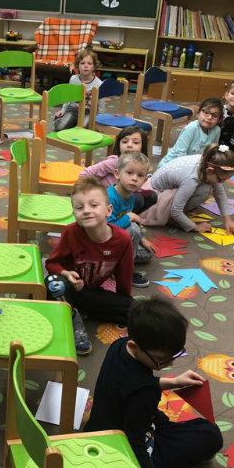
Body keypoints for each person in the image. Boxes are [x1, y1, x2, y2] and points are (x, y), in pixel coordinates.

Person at [85, 296, 223, 468]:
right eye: (162, 359)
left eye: (174, 356)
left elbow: (132, 384)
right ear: (135, 345)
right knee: (211, 435)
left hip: (105, 424)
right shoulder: (144, 393)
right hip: (122, 451)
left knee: (196, 428)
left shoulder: (119, 345)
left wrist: (172, 382)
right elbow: (135, 444)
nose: (170, 363)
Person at [44, 177, 134, 355]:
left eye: (93, 205)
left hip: (91, 292)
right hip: (69, 289)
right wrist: (66, 274)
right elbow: (52, 263)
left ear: (108, 210)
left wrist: (122, 302)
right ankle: (73, 320)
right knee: (53, 283)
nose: (86, 211)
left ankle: (78, 310)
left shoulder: (122, 239)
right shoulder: (71, 232)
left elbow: (125, 275)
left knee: (136, 310)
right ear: (74, 213)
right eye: (80, 207)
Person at [140, 144, 234, 235]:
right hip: (153, 200)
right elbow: (175, 211)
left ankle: (177, 215)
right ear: (210, 170)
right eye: (221, 180)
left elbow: (219, 192)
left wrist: (228, 219)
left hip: (161, 189)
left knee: (208, 185)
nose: (221, 183)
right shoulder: (191, 179)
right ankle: (171, 219)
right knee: (204, 190)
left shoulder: (205, 161)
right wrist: (195, 227)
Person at [107, 151, 157, 287]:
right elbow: (106, 229)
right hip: (103, 244)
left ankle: (116, 263)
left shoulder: (131, 196)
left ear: (144, 181)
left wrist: (141, 239)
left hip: (117, 241)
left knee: (147, 254)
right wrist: (129, 217)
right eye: (129, 173)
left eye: (140, 175)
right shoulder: (110, 198)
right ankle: (125, 271)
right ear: (117, 174)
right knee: (134, 228)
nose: (134, 178)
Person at [157, 97, 222, 168]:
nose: (209, 117)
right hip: (173, 164)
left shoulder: (216, 130)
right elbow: (180, 154)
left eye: (215, 116)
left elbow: (212, 152)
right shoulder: (192, 128)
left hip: (195, 165)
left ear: (219, 120)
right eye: (206, 112)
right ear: (198, 113)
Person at [53, 47, 106, 132]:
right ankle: (67, 120)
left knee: (84, 130)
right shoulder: (73, 79)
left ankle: (75, 123)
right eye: (82, 63)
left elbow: (101, 104)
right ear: (78, 66)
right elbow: (68, 97)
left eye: (89, 63)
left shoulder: (99, 84)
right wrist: (63, 110)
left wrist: (99, 118)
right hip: (73, 110)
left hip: (88, 112)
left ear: (94, 67)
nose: (86, 66)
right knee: (59, 128)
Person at [80, 125, 148, 188]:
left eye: (136, 142)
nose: (129, 145)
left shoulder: (143, 164)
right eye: (125, 142)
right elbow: (85, 174)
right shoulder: (114, 162)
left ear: (143, 147)